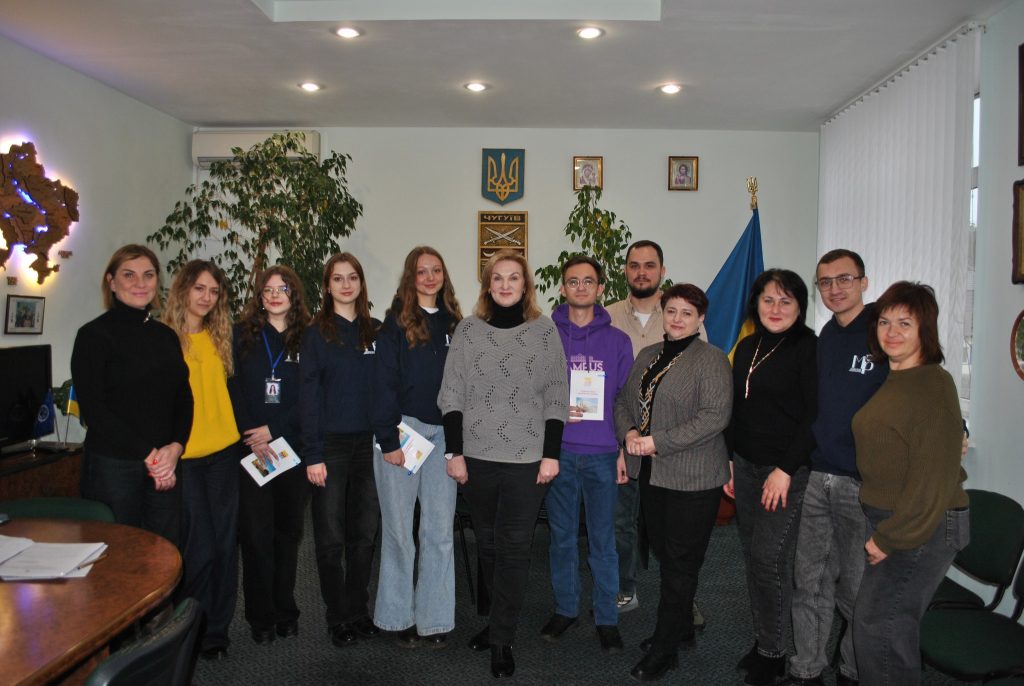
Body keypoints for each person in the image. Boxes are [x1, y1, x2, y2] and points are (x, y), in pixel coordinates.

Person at [438, 249, 568, 679]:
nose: (506, 285)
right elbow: (452, 394)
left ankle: (502, 639)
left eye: (514, 277)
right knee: (488, 544)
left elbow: (556, 397)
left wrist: (552, 454)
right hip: (476, 457)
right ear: (488, 285)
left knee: (514, 546)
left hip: (527, 460)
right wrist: (454, 452)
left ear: (525, 285)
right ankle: (497, 622)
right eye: (498, 278)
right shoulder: (468, 330)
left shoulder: (544, 330)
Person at [851, 281, 968, 685]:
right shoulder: (897, 378)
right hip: (900, 521)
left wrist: (890, 538)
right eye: (884, 321)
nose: (892, 331)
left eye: (905, 323)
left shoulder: (933, 384)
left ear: (925, 331)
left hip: (919, 526)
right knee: (882, 627)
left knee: (880, 630)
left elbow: (931, 480)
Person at [614, 283, 732, 682]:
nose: (677, 319)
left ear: (700, 319)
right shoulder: (648, 354)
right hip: (654, 475)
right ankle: (680, 627)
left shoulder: (711, 359)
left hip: (694, 478)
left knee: (681, 563)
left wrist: (655, 441)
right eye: (671, 311)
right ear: (662, 314)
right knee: (667, 555)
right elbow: (622, 402)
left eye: (687, 312)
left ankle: (664, 650)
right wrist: (630, 432)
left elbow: (714, 417)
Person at [784, 249, 886, 686]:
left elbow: (916, 387)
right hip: (820, 477)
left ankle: (852, 669)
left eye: (844, 279)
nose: (835, 289)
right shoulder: (826, 335)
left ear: (864, 281)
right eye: (825, 282)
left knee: (857, 589)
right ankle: (807, 667)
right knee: (809, 580)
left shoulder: (884, 332)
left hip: (862, 484)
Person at [605, 240, 707, 629]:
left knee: (676, 534)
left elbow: (699, 385)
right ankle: (625, 589)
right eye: (634, 265)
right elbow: (607, 388)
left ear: (662, 271)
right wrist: (620, 441)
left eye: (649, 265)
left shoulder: (682, 315)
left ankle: (684, 599)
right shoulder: (607, 316)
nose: (641, 272)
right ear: (625, 270)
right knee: (622, 523)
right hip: (624, 441)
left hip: (672, 448)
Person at [726, 268, 817, 686]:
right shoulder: (748, 346)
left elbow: (814, 416)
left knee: (769, 560)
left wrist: (785, 469)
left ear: (799, 306)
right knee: (753, 557)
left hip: (785, 473)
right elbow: (737, 409)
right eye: (768, 300)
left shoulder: (808, 348)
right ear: (756, 304)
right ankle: (765, 639)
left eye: (786, 301)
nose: (776, 308)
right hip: (745, 466)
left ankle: (774, 652)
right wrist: (729, 459)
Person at [370, 246, 463, 648]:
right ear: (411, 277)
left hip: (444, 437)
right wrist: (388, 439)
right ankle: (396, 618)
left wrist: (459, 443)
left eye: (435, 270)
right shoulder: (394, 324)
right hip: (403, 433)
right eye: (421, 271)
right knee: (398, 531)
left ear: (444, 275)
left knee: (439, 532)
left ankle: (435, 619)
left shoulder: (456, 323)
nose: (429, 277)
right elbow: (382, 383)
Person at [540, 255, 633, 653]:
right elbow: (532, 392)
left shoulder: (618, 341)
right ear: (562, 288)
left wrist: (623, 450)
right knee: (561, 538)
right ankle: (566, 609)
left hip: (603, 454)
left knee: (603, 541)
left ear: (601, 288)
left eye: (588, 281)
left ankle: (607, 617)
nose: (581, 287)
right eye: (573, 281)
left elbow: (625, 401)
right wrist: (554, 411)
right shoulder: (545, 336)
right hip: (558, 453)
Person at [71, 244, 192, 546]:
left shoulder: (166, 336)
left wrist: (175, 448)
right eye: (129, 275)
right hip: (114, 466)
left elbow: (183, 398)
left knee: (164, 551)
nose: (140, 283)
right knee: (118, 554)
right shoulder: (93, 336)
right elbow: (95, 411)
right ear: (111, 282)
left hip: (164, 464)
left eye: (148, 275)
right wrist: (150, 455)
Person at [300, 252, 382, 648]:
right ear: (327, 286)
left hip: (370, 446)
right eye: (338, 278)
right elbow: (308, 397)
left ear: (361, 284)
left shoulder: (376, 331)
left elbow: (388, 389)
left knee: (364, 535)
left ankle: (358, 609)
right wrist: (312, 454)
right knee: (331, 538)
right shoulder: (316, 334)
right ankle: (337, 616)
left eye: (352, 278)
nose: (346, 285)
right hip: (329, 446)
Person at [228, 265, 311, 645]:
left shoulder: (309, 337)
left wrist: (274, 430)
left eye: (283, 289)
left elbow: (312, 395)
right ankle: (260, 616)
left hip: (291, 448)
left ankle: (285, 609)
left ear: (295, 295)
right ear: (260, 296)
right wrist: (253, 432)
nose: (275, 295)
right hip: (252, 450)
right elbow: (232, 387)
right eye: (268, 289)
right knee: (256, 535)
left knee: (288, 534)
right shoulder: (241, 335)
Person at [163, 259, 241, 659]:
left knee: (226, 546)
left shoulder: (221, 335)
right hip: (187, 459)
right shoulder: (164, 340)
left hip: (225, 454)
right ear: (183, 290)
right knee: (200, 549)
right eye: (200, 289)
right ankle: (188, 629)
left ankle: (216, 632)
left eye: (213, 291)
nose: (207, 297)